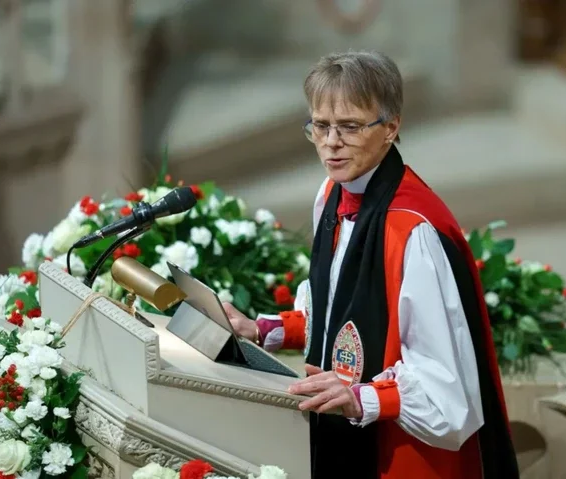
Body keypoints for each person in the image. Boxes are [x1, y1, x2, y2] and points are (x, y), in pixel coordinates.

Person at [222, 50, 519, 479]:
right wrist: (265, 330)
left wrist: (362, 398)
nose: (331, 142)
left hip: (401, 455)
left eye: (349, 126)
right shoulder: (331, 195)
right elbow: (340, 315)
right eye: (320, 126)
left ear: (391, 128)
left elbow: (446, 390)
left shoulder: (412, 231)